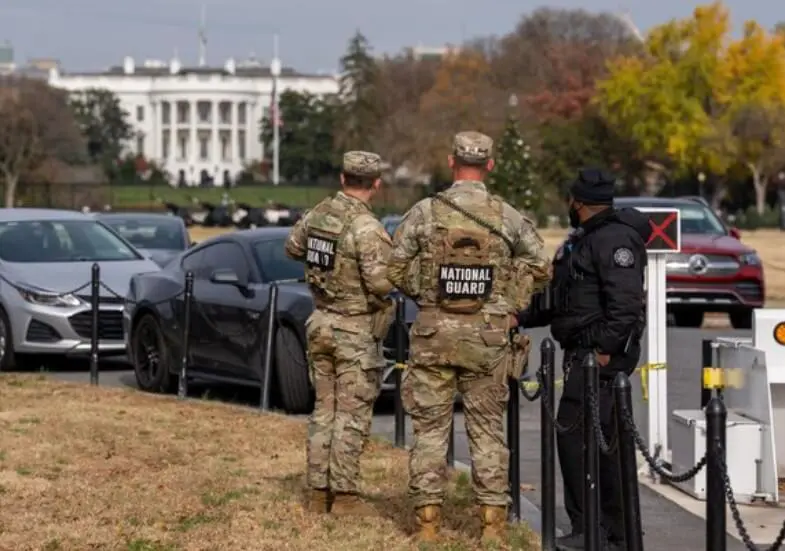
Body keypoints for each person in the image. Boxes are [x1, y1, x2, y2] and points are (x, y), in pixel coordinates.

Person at [387, 131, 552, 543]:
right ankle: (492, 527)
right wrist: (507, 304)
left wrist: (427, 294)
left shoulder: (425, 212)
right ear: (490, 166)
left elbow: (394, 267)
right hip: (488, 338)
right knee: (487, 432)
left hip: (433, 336)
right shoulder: (506, 216)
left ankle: (427, 524)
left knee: (429, 432)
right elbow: (541, 266)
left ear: (451, 162)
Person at [518, 168, 651, 550]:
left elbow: (626, 307)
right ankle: (603, 530)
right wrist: (520, 317)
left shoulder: (614, 240)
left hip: (599, 362)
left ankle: (597, 531)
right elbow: (561, 298)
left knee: (589, 446)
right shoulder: (584, 240)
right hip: (583, 356)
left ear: (577, 201)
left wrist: (604, 353)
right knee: (590, 447)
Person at [285, 151, 393, 516]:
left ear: (343, 178)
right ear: (375, 184)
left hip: (321, 324)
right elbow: (380, 283)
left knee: (323, 411)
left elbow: (293, 247)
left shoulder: (317, 215)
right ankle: (344, 497)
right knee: (351, 415)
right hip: (355, 330)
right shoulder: (366, 227)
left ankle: (317, 493)